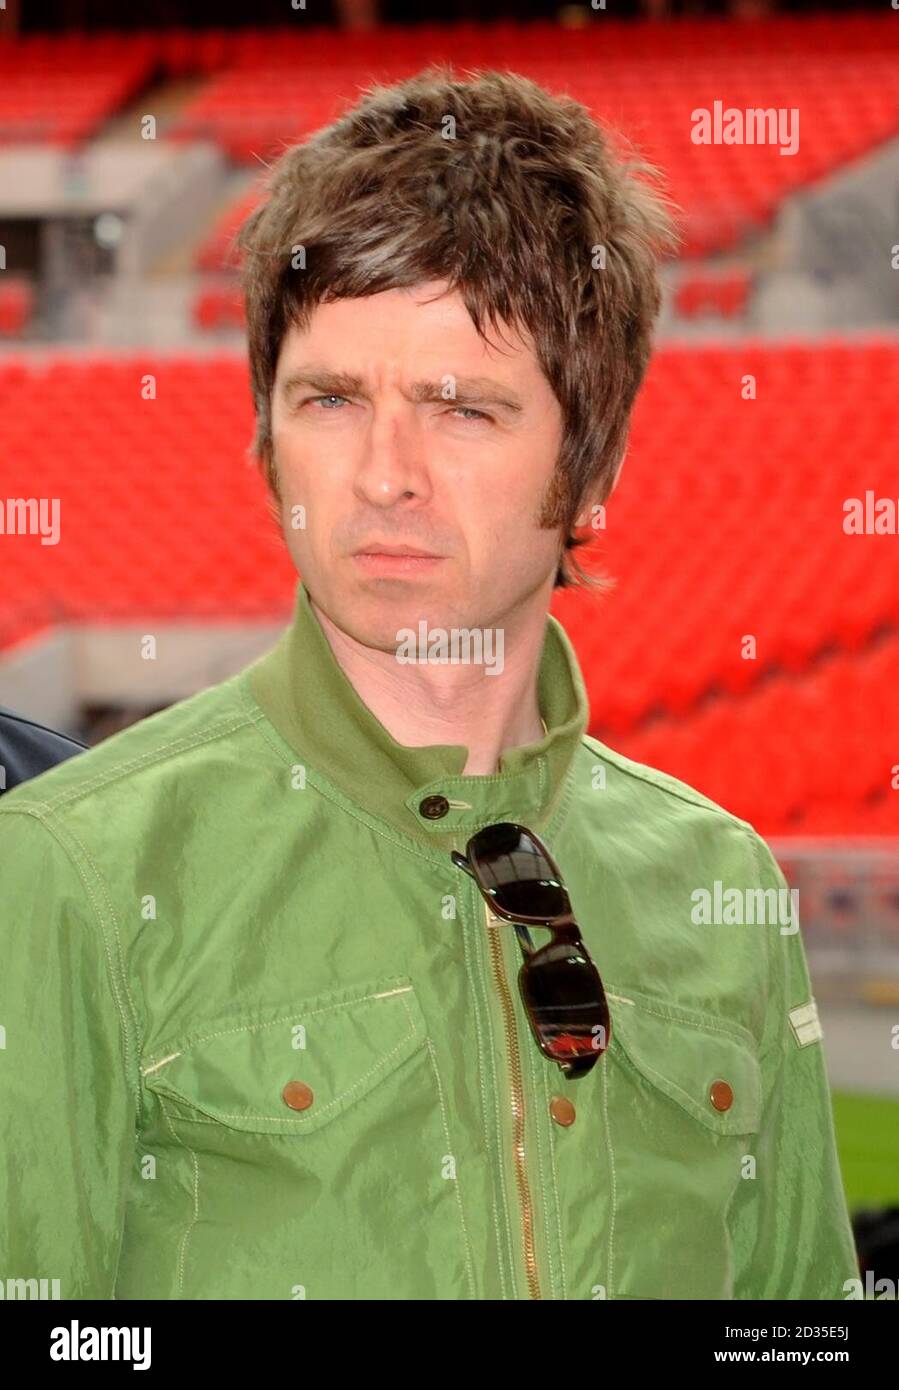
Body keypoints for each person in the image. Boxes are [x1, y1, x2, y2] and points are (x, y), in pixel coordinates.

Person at [0, 67, 858, 1300]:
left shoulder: (720, 879)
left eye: (462, 409)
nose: (385, 473)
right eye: (332, 399)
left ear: (591, 466)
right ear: (264, 434)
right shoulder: (68, 868)